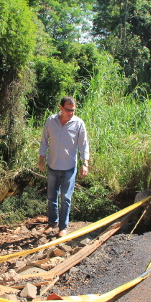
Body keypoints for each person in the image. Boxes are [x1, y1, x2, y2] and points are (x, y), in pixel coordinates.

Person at [38, 96, 89, 237]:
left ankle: (63, 227)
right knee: (51, 197)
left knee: (66, 198)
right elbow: (44, 142)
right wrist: (41, 159)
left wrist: (85, 163)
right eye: (68, 110)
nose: (71, 113)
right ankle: (52, 223)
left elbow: (83, 145)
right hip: (53, 166)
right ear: (61, 108)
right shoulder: (50, 121)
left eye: (73, 110)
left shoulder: (78, 124)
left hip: (69, 167)